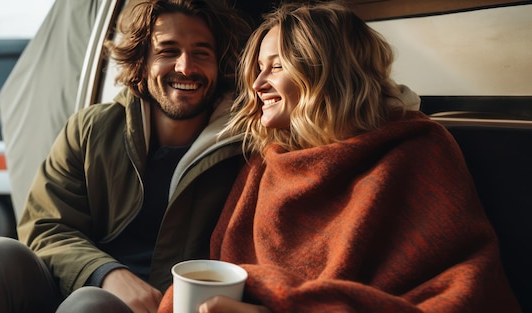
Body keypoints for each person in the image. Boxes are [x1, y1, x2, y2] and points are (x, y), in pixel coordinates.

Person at [158, 1, 521, 312]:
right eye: (258, 69)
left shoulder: (416, 153)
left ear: (326, 71)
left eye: (277, 66)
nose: (257, 84)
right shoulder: (265, 163)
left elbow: (462, 294)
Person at [0, 0, 252, 312]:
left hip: (162, 304)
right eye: (168, 50)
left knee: (92, 305)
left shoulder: (243, 149)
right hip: (71, 287)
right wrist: (106, 273)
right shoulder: (91, 128)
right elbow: (46, 226)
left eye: (201, 53)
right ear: (142, 60)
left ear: (220, 64)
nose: (185, 66)